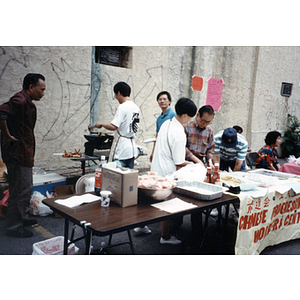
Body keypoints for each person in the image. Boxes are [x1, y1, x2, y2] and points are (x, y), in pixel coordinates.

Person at [0, 73, 46, 238]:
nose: (43, 93)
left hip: (24, 153)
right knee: (19, 190)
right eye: (41, 90)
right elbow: (1, 112)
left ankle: (23, 217)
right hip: (17, 154)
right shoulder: (19, 101)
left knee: (25, 188)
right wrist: (6, 135)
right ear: (31, 87)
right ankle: (13, 227)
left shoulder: (26, 102)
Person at [151, 97, 197, 244]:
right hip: (167, 174)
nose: (190, 120)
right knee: (168, 206)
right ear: (185, 115)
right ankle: (165, 236)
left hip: (156, 169)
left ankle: (146, 228)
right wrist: (194, 165)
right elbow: (179, 163)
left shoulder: (166, 123)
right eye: (190, 117)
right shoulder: (179, 133)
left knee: (155, 204)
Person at [95, 82, 140, 169]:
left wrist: (101, 124)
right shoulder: (136, 108)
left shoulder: (122, 107)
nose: (116, 97)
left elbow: (114, 126)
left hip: (122, 149)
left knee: (117, 176)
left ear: (119, 93)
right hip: (132, 148)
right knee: (129, 177)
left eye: (115, 94)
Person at [149, 91, 176, 162]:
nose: (162, 101)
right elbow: (157, 136)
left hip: (170, 149)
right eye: (160, 99)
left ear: (169, 101)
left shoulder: (173, 115)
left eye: (164, 99)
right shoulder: (159, 118)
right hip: (160, 148)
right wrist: (153, 152)